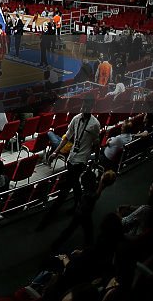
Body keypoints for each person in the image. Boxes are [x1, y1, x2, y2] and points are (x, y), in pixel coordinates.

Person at [38, 97, 101, 230]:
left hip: (81, 159)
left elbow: (96, 142)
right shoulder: (76, 119)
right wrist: (55, 152)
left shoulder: (95, 124)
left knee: (66, 187)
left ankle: (48, 218)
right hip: (72, 157)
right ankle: (79, 205)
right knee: (75, 184)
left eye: (86, 108)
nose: (83, 110)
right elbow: (67, 137)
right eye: (83, 107)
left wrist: (96, 159)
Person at [51, 168, 117, 251]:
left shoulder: (95, 187)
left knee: (74, 229)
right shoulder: (98, 187)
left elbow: (94, 195)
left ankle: (56, 245)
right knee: (85, 232)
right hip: (84, 212)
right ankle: (88, 248)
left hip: (82, 211)